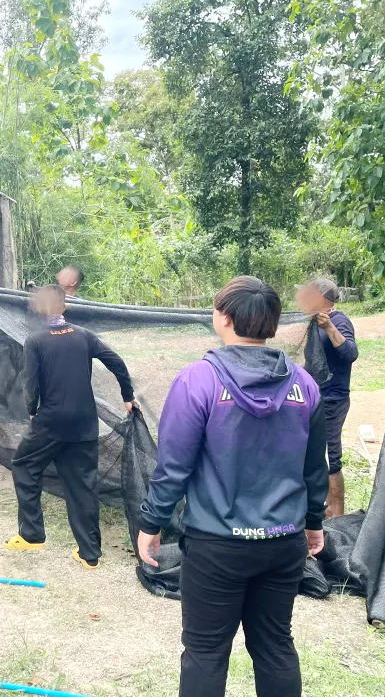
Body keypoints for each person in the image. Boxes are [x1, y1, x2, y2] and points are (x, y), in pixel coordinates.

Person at [137, 276, 327, 697]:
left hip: (216, 546)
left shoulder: (197, 381)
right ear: (271, 322)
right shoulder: (305, 385)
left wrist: (151, 523)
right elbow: (316, 468)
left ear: (222, 318)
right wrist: (314, 522)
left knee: (205, 652)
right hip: (283, 542)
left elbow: (173, 466)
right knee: (275, 646)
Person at [6, 284, 136, 568]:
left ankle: (32, 535)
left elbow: (30, 384)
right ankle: (90, 555)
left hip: (51, 423)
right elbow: (116, 361)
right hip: (84, 422)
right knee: (82, 485)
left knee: (24, 465)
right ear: (65, 306)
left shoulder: (35, 340)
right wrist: (128, 395)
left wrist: (32, 410)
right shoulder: (84, 336)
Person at [295, 276, 358, 517]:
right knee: (313, 453)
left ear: (321, 298)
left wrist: (329, 327)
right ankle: (321, 510)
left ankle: (337, 515)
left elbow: (351, 354)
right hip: (313, 398)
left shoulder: (339, 321)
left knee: (331, 456)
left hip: (333, 399)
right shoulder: (310, 322)